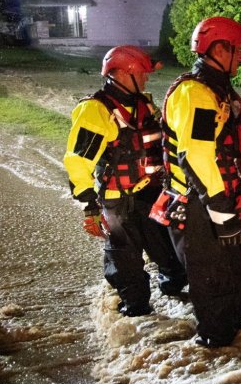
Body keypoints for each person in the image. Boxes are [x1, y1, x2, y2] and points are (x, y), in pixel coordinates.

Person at [63, 45, 186, 317]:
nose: (146, 78)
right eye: (142, 73)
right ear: (121, 73)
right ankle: (137, 315)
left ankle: (175, 293)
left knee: (171, 257)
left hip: (152, 194)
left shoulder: (144, 103)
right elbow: (77, 161)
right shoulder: (95, 110)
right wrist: (90, 206)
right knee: (126, 266)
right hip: (117, 201)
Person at [161, 16, 241, 348]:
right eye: (239, 49)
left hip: (223, 199)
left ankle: (232, 336)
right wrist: (221, 212)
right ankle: (215, 348)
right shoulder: (194, 94)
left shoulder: (219, 90)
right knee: (213, 281)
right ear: (219, 49)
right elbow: (196, 156)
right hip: (200, 206)